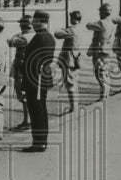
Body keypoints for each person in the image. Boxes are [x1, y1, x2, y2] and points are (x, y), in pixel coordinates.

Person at [22, 10, 56, 152]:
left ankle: (39, 142)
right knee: (41, 110)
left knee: (36, 111)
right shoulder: (48, 37)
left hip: (35, 80)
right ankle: (42, 141)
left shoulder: (39, 38)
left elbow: (33, 62)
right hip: (42, 77)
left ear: (37, 21)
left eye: (34, 21)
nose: (32, 23)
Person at [54, 10, 85, 114]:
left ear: (73, 19)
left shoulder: (71, 30)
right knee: (74, 81)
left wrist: (64, 29)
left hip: (69, 58)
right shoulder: (80, 28)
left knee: (70, 82)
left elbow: (57, 34)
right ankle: (74, 106)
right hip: (76, 56)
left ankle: (73, 108)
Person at [8, 15, 34, 130]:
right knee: (26, 95)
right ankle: (28, 120)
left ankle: (27, 121)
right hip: (27, 67)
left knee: (24, 95)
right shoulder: (33, 34)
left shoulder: (24, 38)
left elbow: (10, 41)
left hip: (22, 67)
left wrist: (18, 35)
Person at [86, 3, 115, 101]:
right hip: (106, 49)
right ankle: (106, 92)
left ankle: (103, 95)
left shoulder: (101, 23)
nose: (99, 13)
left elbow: (88, 26)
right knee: (105, 72)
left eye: (100, 12)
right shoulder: (110, 23)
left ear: (103, 12)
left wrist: (96, 21)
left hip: (99, 50)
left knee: (100, 73)